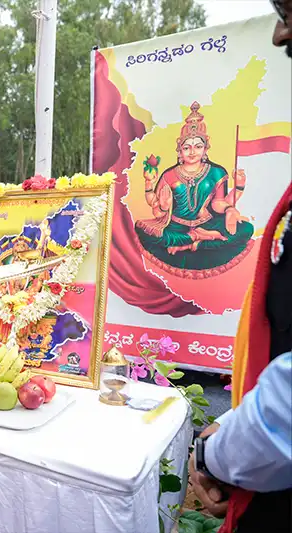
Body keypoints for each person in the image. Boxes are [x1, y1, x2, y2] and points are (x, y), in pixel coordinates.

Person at [188, 4, 292, 532]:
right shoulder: (178, 177)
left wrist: (215, 455)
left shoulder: (212, 176)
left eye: (288, 10)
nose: (280, 34)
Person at [135, 101, 253, 276]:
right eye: (187, 147)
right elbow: (157, 210)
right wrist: (154, 193)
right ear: (179, 151)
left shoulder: (216, 172)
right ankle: (202, 237)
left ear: (205, 149)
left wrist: (230, 208)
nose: (192, 152)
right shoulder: (169, 175)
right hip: (176, 226)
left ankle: (192, 243)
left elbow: (217, 203)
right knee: (145, 231)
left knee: (246, 229)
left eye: (198, 146)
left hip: (207, 223)